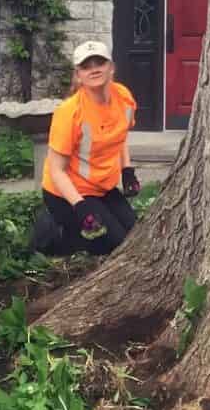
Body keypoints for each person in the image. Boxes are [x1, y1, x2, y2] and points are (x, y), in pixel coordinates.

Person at [30, 40, 141, 256]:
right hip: (67, 193)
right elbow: (56, 170)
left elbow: (119, 137)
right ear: (78, 75)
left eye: (99, 62)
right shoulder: (69, 112)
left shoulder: (124, 97)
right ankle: (53, 232)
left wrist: (127, 171)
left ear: (111, 68)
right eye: (86, 66)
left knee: (135, 235)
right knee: (114, 245)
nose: (94, 69)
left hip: (102, 188)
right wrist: (80, 207)